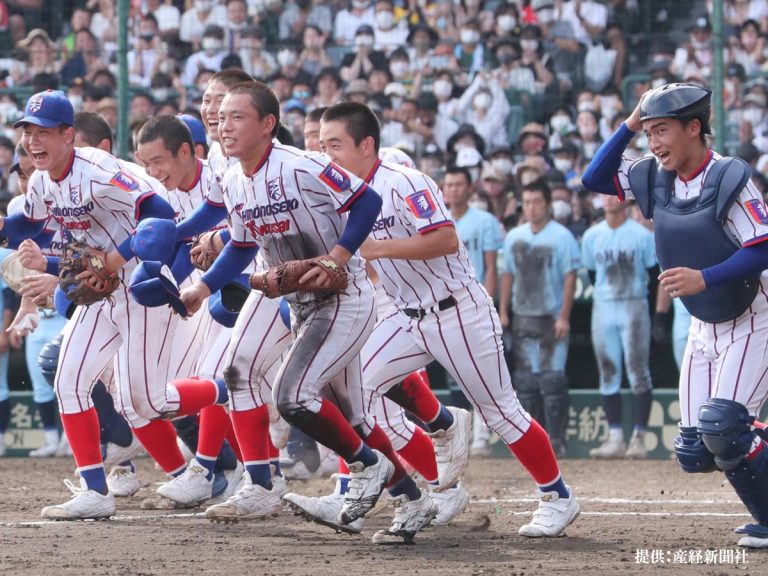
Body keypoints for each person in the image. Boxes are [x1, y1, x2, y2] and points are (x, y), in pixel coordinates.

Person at [178, 81, 437, 541]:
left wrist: (337, 256)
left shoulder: (303, 164)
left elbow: (368, 201)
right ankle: (413, 502)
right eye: (221, 117)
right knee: (355, 419)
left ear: (268, 124)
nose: (224, 124)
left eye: (238, 116)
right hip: (302, 304)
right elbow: (241, 245)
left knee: (292, 396)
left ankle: (367, 467)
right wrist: (203, 287)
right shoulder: (234, 178)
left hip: (344, 298)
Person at [313, 102, 580, 539]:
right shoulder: (343, 196)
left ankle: (558, 497)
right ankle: (422, 473)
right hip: (406, 314)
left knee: (501, 413)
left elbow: (445, 238)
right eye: (323, 146)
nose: (328, 155)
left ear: (366, 144)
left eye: (335, 145)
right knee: (352, 390)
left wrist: (377, 249)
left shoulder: (405, 181)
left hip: (456, 310)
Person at [2, 90, 226, 520]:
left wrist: (113, 259)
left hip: (141, 287)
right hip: (101, 291)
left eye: (43, 132)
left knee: (148, 403)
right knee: (69, 381)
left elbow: (161, 215)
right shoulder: (45, 182)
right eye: (28, 132)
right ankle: (94, 491)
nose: (33, 141)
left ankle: (225, 388)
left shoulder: (101, 171)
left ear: (69, 135)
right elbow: (23, 225)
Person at [581, 82, 768, 548]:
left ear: (694, 127)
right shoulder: (653, 174)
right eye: (648, 133)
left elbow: (763, 246)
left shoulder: (729, 174)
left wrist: (705, 277)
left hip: (751, 316)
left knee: (725, 427)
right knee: (695, 450)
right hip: (705, 322)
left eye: (661, 130)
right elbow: (594, 178)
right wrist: (630, 121)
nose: (654, 143)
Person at [499, 178, 580, 458]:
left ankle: (556, 440)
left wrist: (564, 317)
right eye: (528, 202)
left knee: (553, 381)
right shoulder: (514, 237)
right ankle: (534, 441)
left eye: (537, 202)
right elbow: (507, 274)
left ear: (547, 204)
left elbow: (571, 278)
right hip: (523, 315)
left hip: (550, 317)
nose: (531, 208)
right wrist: (504, 311)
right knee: (526, 383)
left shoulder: (562, 237)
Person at [581, 194, 656, 459]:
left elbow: (653, 272)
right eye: (605, 195)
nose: (610, 200)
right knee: (608, 369)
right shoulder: (592, 236)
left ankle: (639, 437)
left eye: (616, 194)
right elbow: (591, 272)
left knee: (638, 369)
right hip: (604, 304)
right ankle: (615, 437)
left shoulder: (642, 235)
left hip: (634, 303)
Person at [442, 165, 502, 456]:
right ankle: (462, 435)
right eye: (449, 184)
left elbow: (491, 267)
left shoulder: (485, 221)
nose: (453, 189)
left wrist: (490, 300)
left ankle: (482, 434)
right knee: (456, 375)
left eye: (458, 184)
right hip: (444, 306)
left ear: (469, 188)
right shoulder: (436, 218)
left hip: (474, 301)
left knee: (480, 371)